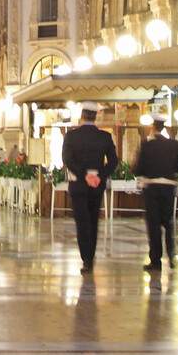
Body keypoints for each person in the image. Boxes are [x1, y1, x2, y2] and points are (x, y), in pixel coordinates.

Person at [60, 107, 119, 276]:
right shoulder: (104, 137)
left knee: (82, 223)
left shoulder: (71, 136)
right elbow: (113, 161)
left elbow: (67, 159)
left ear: (82, 116)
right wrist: (99, 176)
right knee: (93, 221)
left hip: (78, 185)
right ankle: (90, 258)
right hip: (96, 185)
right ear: (96, 117)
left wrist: (83, 175)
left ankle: (86, 259)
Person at [135, 120, 178, 270]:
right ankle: (171, 256)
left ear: (152, 128)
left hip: (152, 188)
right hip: (168, 188)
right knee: (168, 222)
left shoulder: (146, 145)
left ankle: (155, 261)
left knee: (154, 225)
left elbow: (139, 169)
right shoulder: (174, 145)